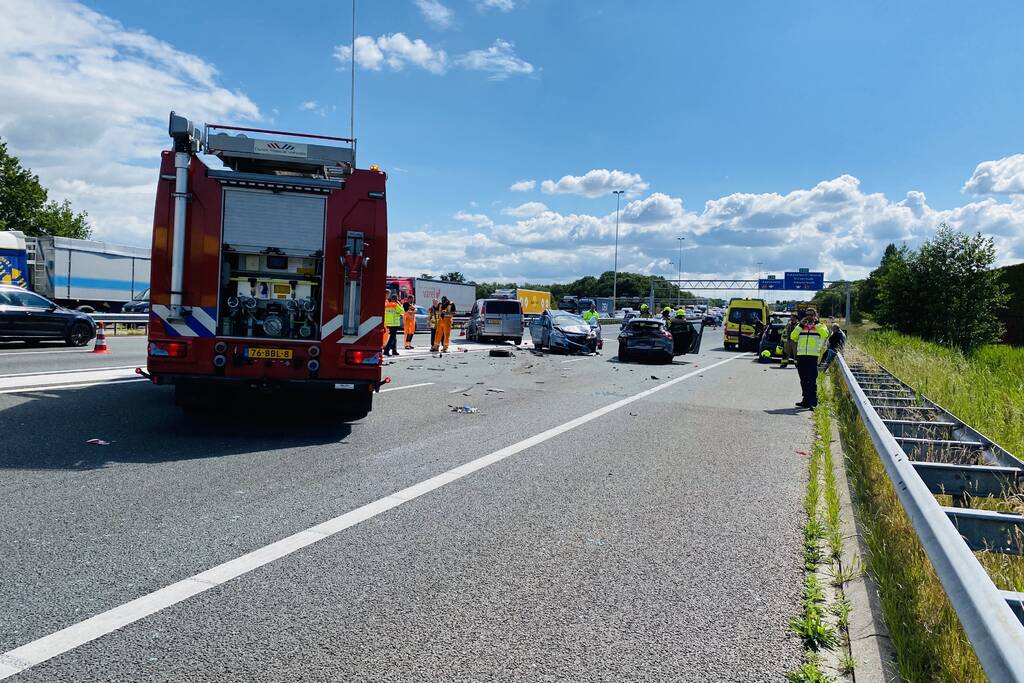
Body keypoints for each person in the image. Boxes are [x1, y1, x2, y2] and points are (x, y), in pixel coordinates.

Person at [791, 308, 830, 409]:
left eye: (811, 315)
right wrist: (800, 325)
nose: (809, 316)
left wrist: (816, 323)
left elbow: (825, 334)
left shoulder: (820, 326)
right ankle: (805, 400)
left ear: (815, 315)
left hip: (813, 356)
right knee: (803, 380)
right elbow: (793, 336)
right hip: (801, 356)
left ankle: (813, 403)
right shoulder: (800, 326)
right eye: (807, 314)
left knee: (812, 380)